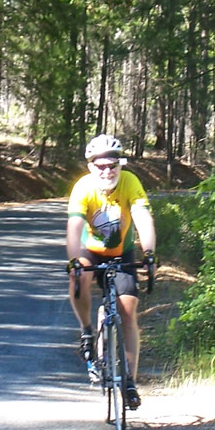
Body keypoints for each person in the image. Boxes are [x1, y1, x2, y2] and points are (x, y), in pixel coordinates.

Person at [66, 134, 156, 409]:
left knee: (128, 311)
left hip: (121, 252)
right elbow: (75, 227)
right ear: (91, 167)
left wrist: (149, 253)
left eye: (112, 165)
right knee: (79, 276)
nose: (107, 171)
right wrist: (73, 260)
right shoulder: (83, 188)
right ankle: (86, 331)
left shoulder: (130, 182)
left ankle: (130, 382)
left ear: (120, 164)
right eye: (101, 166)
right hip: (90, 250)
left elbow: (142, 217)